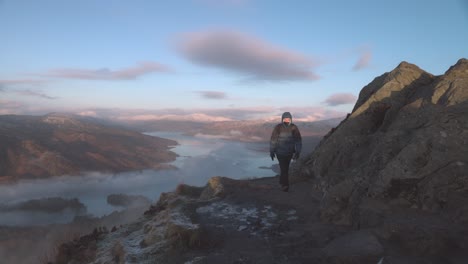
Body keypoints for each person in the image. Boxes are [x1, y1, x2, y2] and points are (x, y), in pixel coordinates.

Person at [269, 112, 302, 192]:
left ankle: (281, 182)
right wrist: (272, 151)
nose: (286, 120)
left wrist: (298, 152)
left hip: (289, 153)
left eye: (288, 119)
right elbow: (273, 140)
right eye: (285, 119)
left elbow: (298, 141)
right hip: (280, 153)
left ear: (291, 119)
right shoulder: (278, 127)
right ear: (282, 119)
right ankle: (285, 186)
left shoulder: (294, 128)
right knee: (284, 169)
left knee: (285, 169)